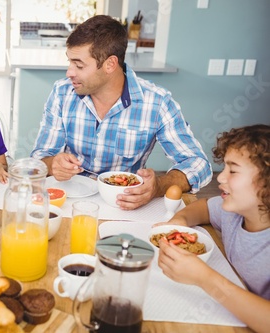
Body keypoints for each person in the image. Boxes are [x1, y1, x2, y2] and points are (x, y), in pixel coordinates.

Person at [30, 15, 212, 210]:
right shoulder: (62, 93)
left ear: (110, 64)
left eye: (79, 65)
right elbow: (40, 157)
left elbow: (198, 164)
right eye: (70, 62)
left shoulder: (156, 102)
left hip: (123, 205)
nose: (69, 72)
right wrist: (52, 164)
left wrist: (159, 186)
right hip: (69, 201)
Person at [157, 125, 270, 333]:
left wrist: (204, 278)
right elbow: (204, 207)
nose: (221, 177)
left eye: (233, 170)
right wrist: (180, 220)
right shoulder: (234, 211)